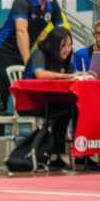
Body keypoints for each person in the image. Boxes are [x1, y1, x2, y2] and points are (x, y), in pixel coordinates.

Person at [0, 0, 68, 112]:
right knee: (10, 86)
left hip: (25, 47)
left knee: (28, 84)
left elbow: (62, 33)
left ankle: (31, 117)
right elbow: (21, 31)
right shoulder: (23, 0)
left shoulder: (52, 4)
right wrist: (28, 63)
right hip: (4, 48)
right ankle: (4, 114)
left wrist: (64, 57)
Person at [24, 26, 75, 168]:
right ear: (53, 44)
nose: (67, 49)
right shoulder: (39, 54)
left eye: (69, 45)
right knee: (67, 109)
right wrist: (66, 76)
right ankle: (56, 152)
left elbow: (71, 77)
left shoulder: (65, 60)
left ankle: (81, 152)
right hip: (33, 101)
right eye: (63, 45)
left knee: (76, 108)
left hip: (55, 101)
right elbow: (40, 74)